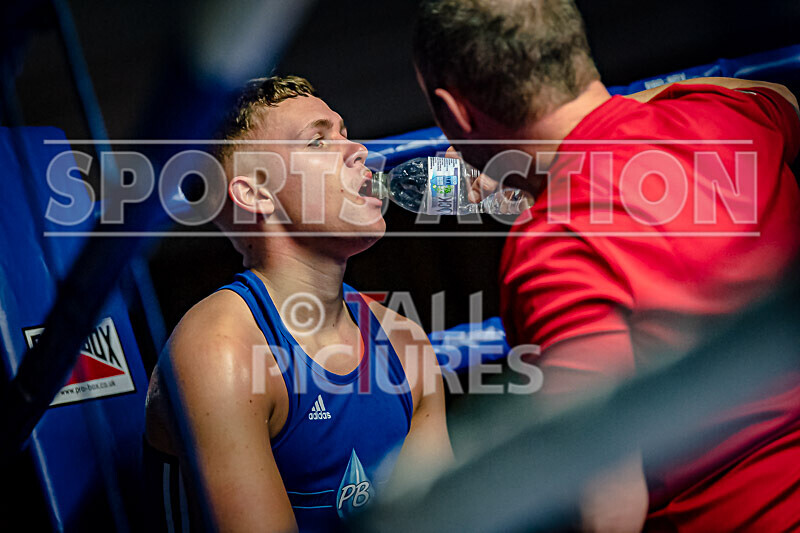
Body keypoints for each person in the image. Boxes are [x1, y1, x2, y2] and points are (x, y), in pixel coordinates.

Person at [413, 1, 800, 531]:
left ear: (454, 113)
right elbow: (782, 95)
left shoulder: (554, 243)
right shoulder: (724, 115)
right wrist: (622, 113)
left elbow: (611, 508)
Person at [145, 75, 452, 532]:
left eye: (345, 133)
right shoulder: (222, 351)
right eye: (318, 141)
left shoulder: (405, 344)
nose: (359, 150)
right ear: (255, 193)